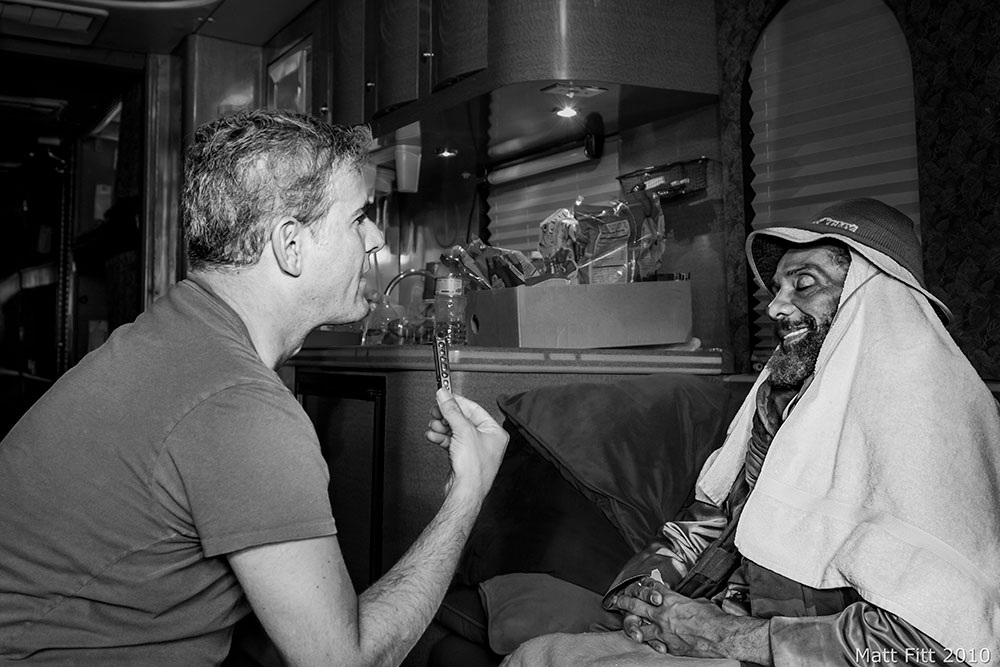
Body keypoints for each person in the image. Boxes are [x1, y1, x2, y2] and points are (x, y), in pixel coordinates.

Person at [0, 109, 509, 666]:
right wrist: (468, 491)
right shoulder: (239, 407)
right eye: (358, 217)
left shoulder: (177, 334)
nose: (376, 236)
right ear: (290, 245)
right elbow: (343, 661)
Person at [500, 198, 1000, 666]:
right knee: (534, 651)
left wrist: (719, 634)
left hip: (770, 647)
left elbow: (930, 648)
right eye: (777, 290)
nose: (776, 308)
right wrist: (646, 597)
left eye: (804, 284)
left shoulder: (927, 424)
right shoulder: (788, 401)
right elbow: (716, 517)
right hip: (733, 623)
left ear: (874, 302)